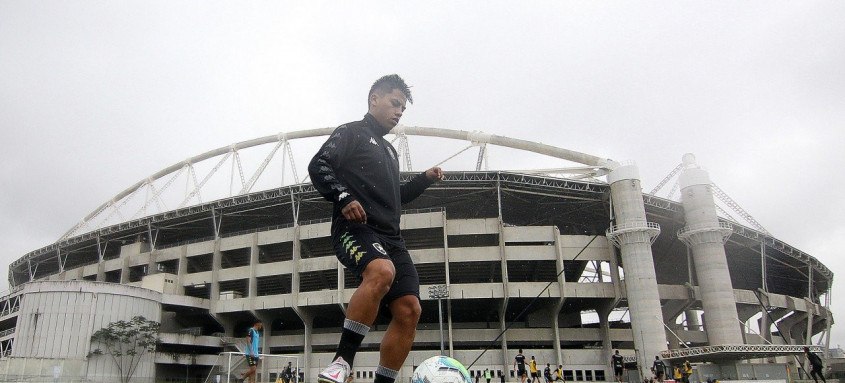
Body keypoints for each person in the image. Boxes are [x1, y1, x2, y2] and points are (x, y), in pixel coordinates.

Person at [309, 74, 444, 383]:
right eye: (395, 103)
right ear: (374, 99)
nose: (399, 112)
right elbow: (319, 165)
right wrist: (343, 197)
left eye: (403, 109)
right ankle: (342, 361)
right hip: (355, 228)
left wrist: (424, 178)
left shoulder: (390, 151)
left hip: (391, 238)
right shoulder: (352, 133)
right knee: (382, 271)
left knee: (410, 309)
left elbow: (397, 198)